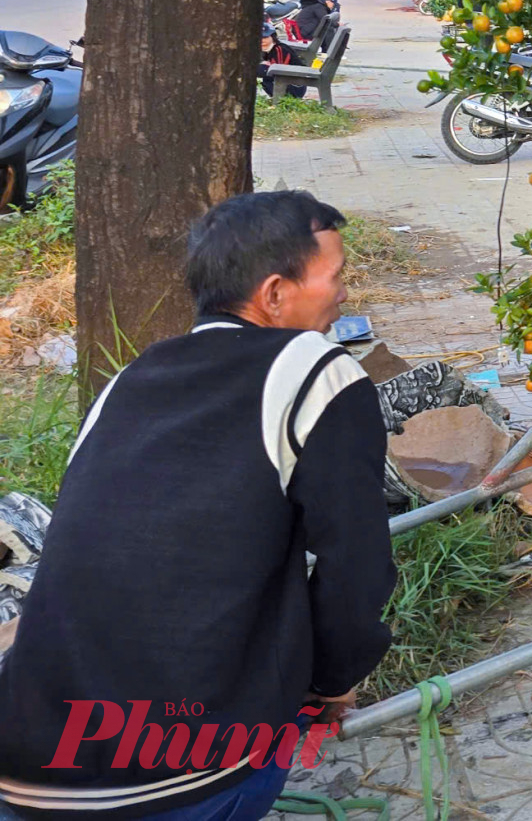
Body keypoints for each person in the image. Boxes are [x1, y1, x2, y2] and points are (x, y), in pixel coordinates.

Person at [0, 192, 394, 820]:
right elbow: (358, 568)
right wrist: (332, 681)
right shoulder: (315, 368)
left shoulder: (132, 378)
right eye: (336, 277)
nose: (345, 295)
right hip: (178, 775)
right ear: (273, 294)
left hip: (25, 767)